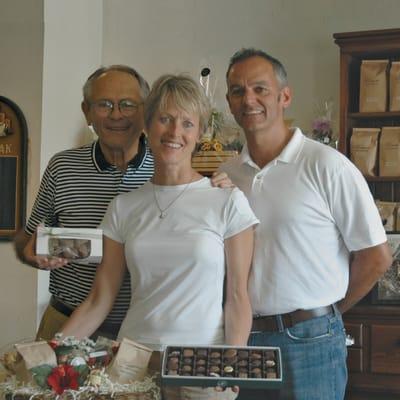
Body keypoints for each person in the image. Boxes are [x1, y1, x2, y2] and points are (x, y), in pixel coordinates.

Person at [61, 74, 259, 400]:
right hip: (131, 361)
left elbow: (238, 296)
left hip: (202, 363)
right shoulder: (123, 207)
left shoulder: (227, 200)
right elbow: (100, 298)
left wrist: (232, 361)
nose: (174, 133)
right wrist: (54, 349)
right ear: (147, 126)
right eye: (164, 119)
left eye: (187, 123)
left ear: (200, 133)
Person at [219, 48, 393, 400]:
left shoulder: (327, 165)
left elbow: (377, 258)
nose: (248, 99)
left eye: (259, 89)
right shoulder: (228, 175)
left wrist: (326, 314)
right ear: (229, 101)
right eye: (238, 91)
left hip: (311, 343)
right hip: (245, 342)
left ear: (285, 96)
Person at [14, 65, 231, 341]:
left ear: (145, 112)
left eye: (128, 105)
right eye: (104, 104)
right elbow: (28, 236)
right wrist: (29, 251)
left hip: (138, 333)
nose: (116, 114)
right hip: (69, 319)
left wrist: (222, 185)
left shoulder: (169, 164)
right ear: (87, 111)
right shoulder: (63, 166)